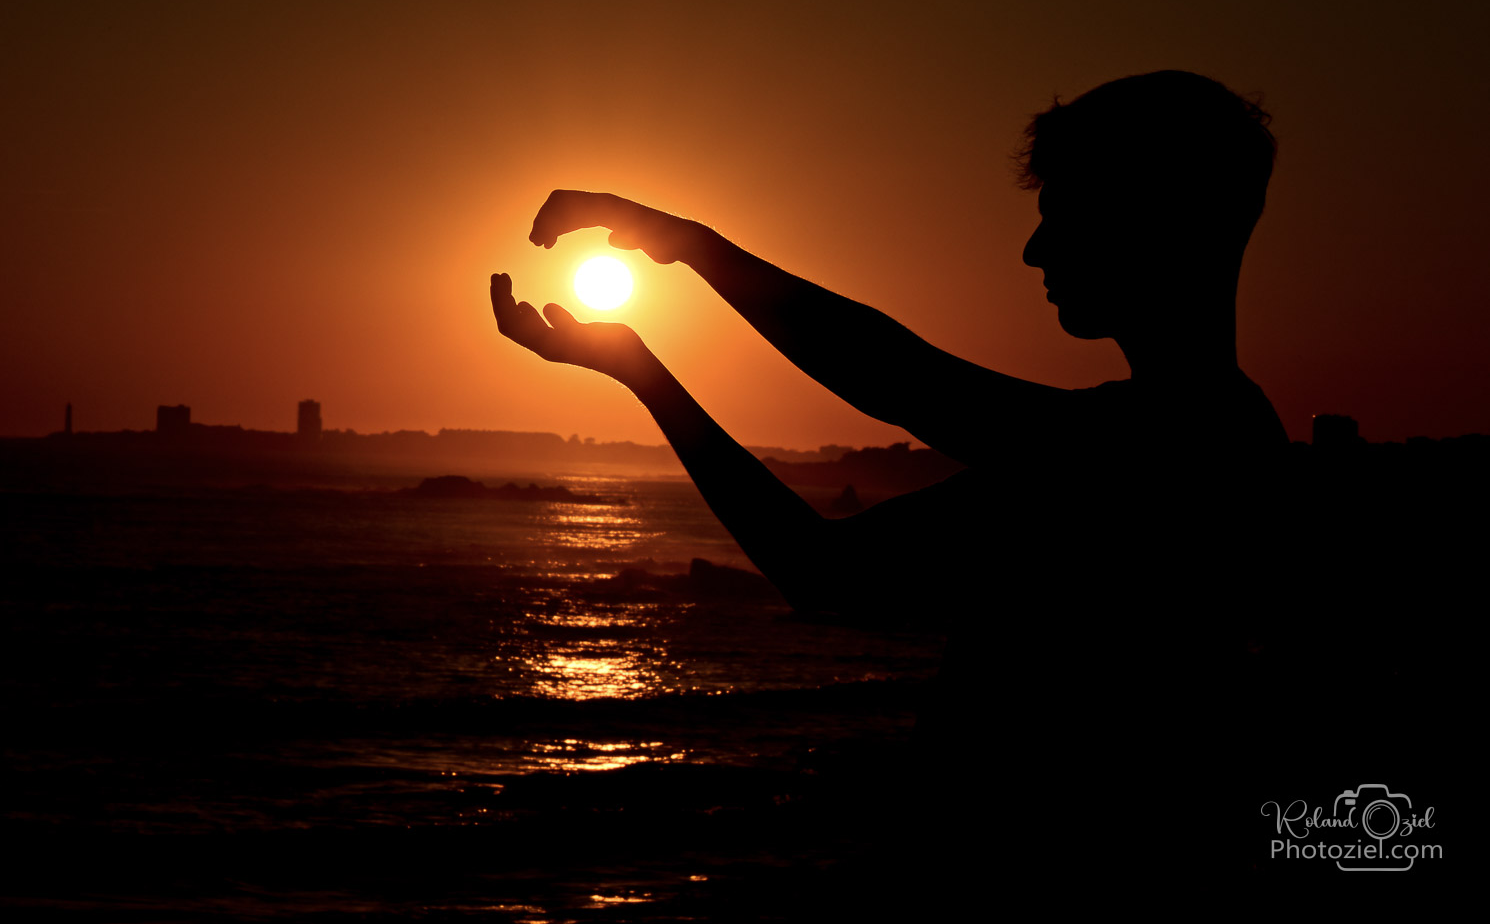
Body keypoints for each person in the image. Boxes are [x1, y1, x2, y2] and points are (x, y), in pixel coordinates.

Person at [490, 70, 1287, 897]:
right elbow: (824, 567)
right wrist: (645, 369)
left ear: (1152, 217)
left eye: (1064, 211)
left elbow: (904, 383)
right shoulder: (1173, 434)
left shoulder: (1173, 443)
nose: (1034, 248)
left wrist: (690, 249)